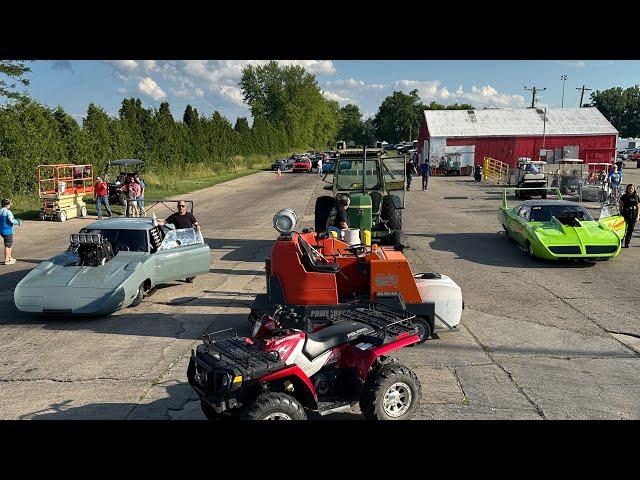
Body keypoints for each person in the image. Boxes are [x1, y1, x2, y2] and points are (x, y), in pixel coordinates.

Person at [158, 201, 200, 282]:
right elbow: (164, 222)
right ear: (177, 207)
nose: (181, 208)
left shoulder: (190, 215)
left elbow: (196, 224)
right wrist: (156, 223)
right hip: (179, 240)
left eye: (183, 206)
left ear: (185, 207)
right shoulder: (174, 216)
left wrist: (197, 226)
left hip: (190, 239)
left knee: (190, 257)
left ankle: (191, 274)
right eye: (179, 206)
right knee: (181, 258)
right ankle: (185, 274)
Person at [1, 198, 23, 265]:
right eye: (10, 204)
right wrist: (18, 222)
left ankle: (9, 257)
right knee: (8, 245)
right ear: (7, 205)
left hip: (2, 230)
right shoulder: (8, 212)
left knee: (9, 244)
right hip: (7, 231)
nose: (10, 205)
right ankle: (7, 260)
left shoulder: (0, 211)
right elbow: (11, 220)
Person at [619, 184, 639, 248]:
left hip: (633, 215)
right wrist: (621, 215)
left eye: (632, 188)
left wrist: (638, 216)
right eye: (629, 188)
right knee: (623, 230)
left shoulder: (636, 197)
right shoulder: (624, 196)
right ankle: (620, 243)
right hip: (625, 214)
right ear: (627, 189)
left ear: (634, 189)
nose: (631, 190)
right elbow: (620, 206)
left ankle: (627, 243)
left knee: (630, 230)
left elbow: (638, 207)